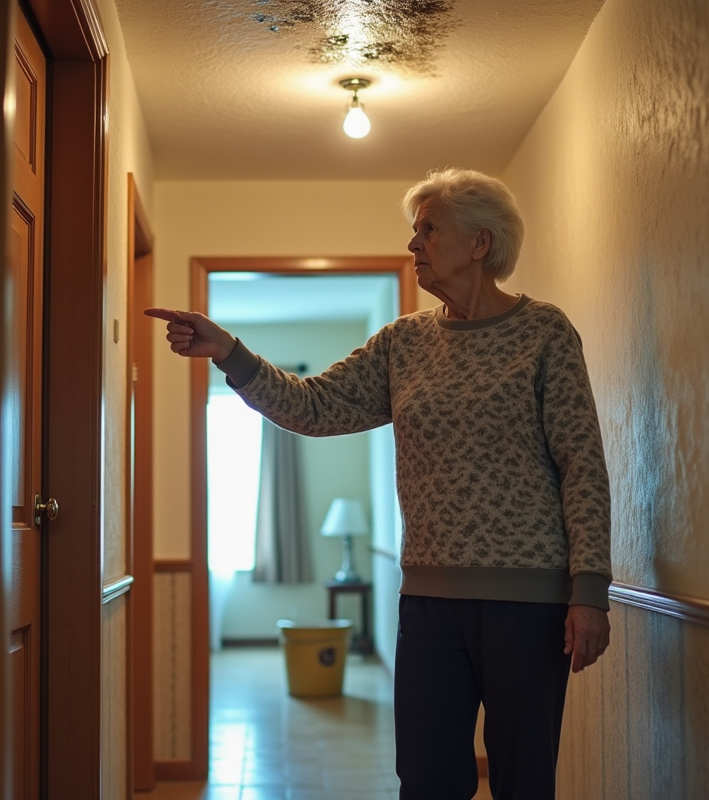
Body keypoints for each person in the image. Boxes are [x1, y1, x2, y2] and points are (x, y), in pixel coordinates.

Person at [146, 167, 611, 800]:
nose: (413, 244)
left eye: (428, 230)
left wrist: (589, 590)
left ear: (480, 242)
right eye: (413, 231)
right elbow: (314, 405)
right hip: (428, 599)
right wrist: (230, 351)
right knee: (425, 778)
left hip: (529, 602)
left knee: (524, 779)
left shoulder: (544, 332)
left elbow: (581, 462)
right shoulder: (403, 343)